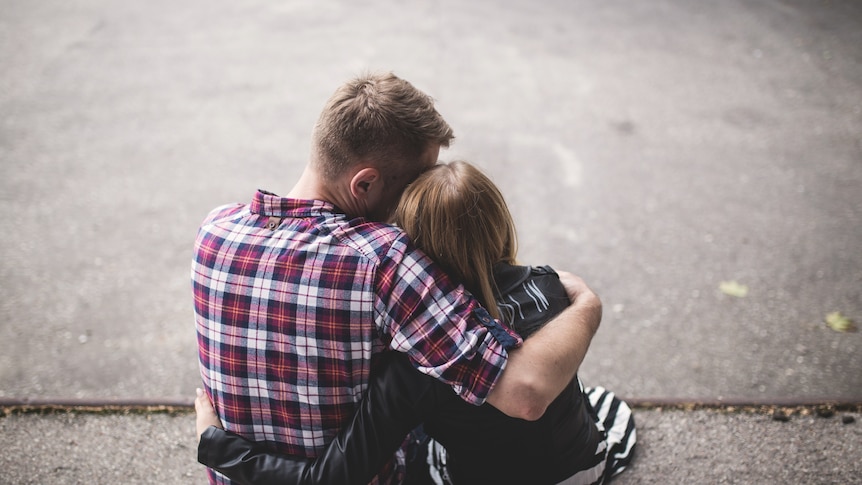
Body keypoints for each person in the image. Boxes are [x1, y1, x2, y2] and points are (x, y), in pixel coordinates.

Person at [192, 72, 603, 485]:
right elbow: (523, 391)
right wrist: (586, 305)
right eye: (413, 184)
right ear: (365, 183)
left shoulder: (214, 230)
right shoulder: (384, 259)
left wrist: (214, 444)